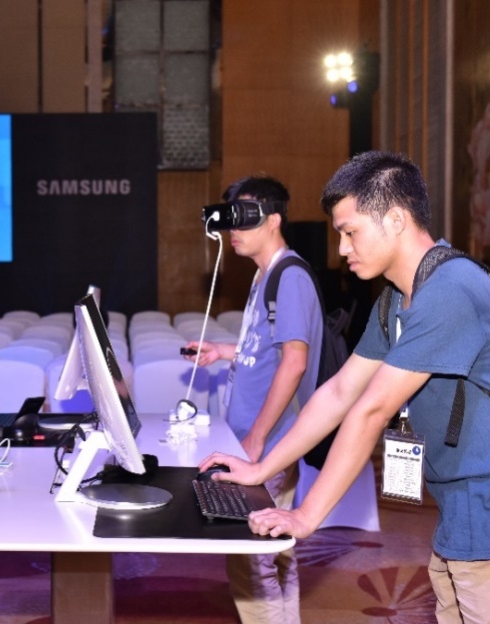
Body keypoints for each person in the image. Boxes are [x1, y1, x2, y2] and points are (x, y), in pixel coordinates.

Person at [203, 151, 490, 623]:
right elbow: (339, 393)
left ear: (395, 219)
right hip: (464, 515)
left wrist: (306, 515)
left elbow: (370, 410)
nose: (342, 249)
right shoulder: (397, 299)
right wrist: (260, 468)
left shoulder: (451, 290)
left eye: (350, 232)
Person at [183, 175, 323, 624]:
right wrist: (224, 351)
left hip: (270, 441)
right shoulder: (267, 275)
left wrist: (258, 440)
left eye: (243, 218)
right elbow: (269, 349)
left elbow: (294, 362)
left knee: (251, 556)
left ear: (274, 219)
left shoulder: (289, 276)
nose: (233, 230)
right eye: (229, 220)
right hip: (261, 438)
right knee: (277, 549)